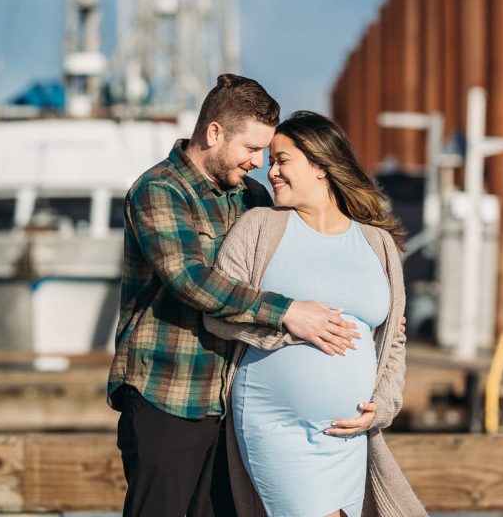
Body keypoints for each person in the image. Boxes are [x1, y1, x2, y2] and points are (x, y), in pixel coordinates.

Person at [107, 75, 361, 517]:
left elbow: (298, 264)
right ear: (214, 133)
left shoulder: (253, 196)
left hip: (235, 405)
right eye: (251, 148)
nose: (259, 162)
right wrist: (286, 313)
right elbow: (190, 279)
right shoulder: (159, 189)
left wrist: (367, 313)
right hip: (169, 395)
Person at [204, 111, 427, 517]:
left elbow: (393, 338)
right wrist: (288, 324)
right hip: (277, 423)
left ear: (321, 165)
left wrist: (385, 402)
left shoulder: (377, 243)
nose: (271, 171)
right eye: (271, 160)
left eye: (282, 160)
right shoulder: (260, 228)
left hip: (347, 435)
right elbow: (217, 311)